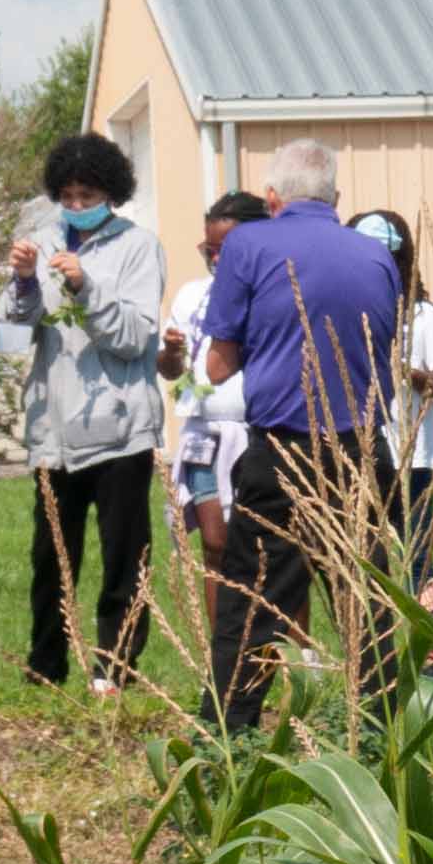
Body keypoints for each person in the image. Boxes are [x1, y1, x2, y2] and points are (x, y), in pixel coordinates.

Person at [197, 138, 400, 729]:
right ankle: (388, 728)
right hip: (362, 447)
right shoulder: (375, 254)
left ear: (271, 197)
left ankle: (227, 732)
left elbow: (220, 362)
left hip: (284, 447)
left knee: (252, 599)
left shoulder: (248, 244)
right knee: (368, 601)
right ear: (336, 198)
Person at [11, 132, 167, 694]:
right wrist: (25, 282)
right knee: (51, 555)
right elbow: (16, 330)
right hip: (54, 427)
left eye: (89, 193)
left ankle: (115, 666)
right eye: (69, 194)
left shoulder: (139, 247)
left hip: (121, 429)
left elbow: (133, 338)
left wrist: (85, 286)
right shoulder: (41, 240)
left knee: (124, 554)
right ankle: (46, 663)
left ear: (113, 192)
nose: (77, 205)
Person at [159, 187, 263, 626]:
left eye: (226, 249)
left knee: (264, 547)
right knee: (215, 544)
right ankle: (224, 648)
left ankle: (281, 647)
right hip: (204, 432)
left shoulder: (267, 292)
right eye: (209, 249)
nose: (216, 259)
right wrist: (171, 352)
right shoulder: (191, 295)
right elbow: (168, 370)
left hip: (255, 432)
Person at [346, 208, 433, 603]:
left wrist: (404, 370)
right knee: (365, 552)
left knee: (417, 551)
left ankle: (428, 650)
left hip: (414, 455)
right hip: (360, 449)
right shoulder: (343, 313)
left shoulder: (422, 316)